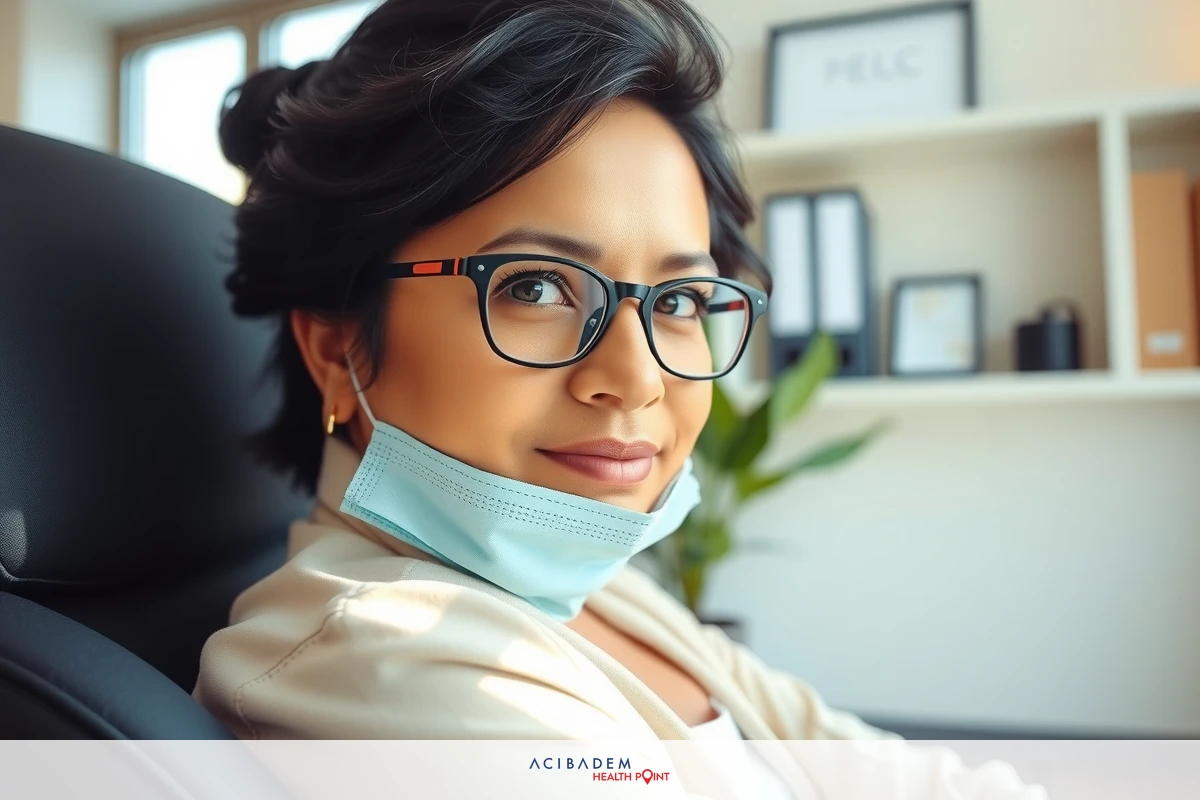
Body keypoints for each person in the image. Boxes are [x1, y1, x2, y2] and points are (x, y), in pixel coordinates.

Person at [194, 1, 1045, 797]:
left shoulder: (596, 589)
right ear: (337, 345)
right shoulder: (383, 661)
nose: (638, 378)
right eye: (535, 287)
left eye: (677, 302)